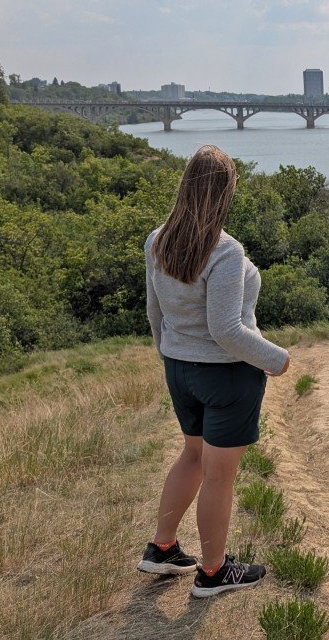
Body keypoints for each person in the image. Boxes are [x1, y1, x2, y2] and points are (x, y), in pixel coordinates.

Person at [135, 145, 291, 598]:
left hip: (180, 369)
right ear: (226, 191)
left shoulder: (158, 239)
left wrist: (170, 356)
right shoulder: (224, 250)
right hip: (225, 376)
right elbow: (226, 330)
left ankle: (162, 549)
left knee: (191, 456)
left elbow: (154, 310)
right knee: (219, 474)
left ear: (185, 185)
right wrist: (276, 359)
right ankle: (213, 572)